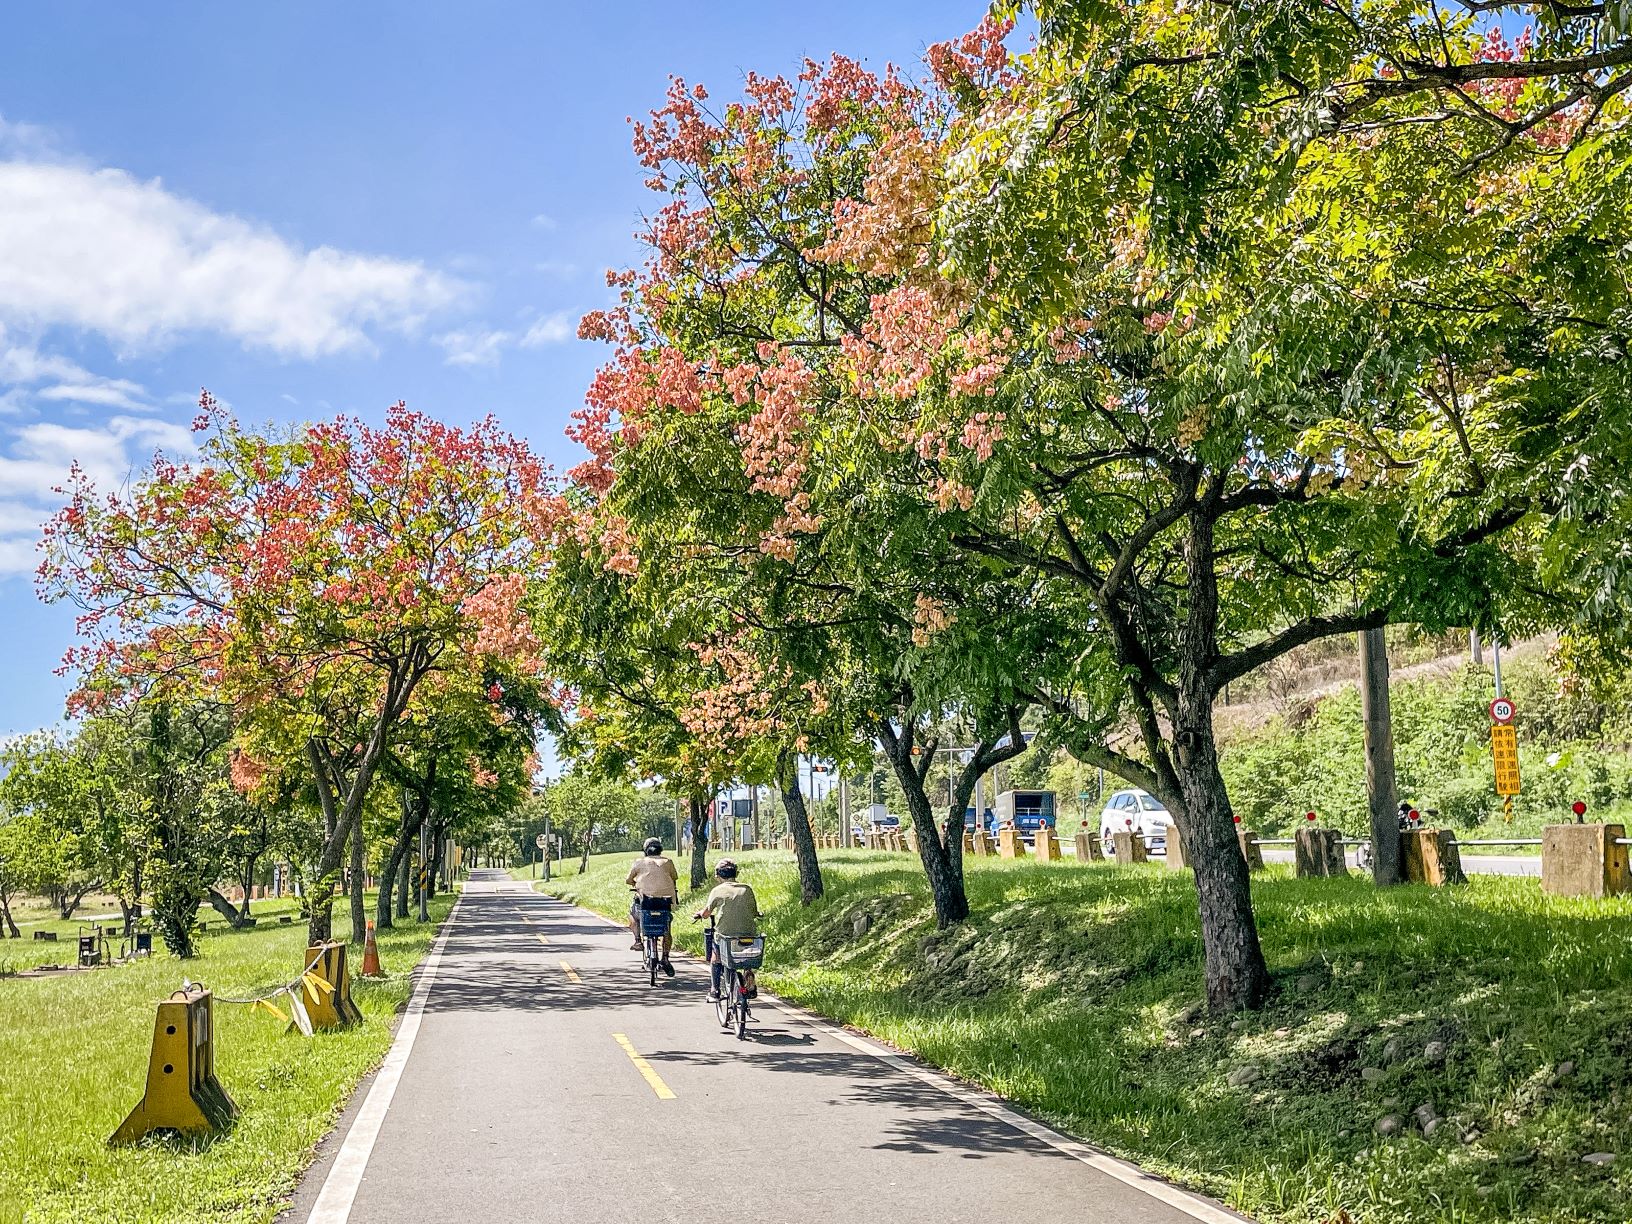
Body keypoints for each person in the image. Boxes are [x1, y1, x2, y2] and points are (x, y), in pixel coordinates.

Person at [694, 858, 759, 1002]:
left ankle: (714, 990)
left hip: (725, 935)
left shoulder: (717, 891)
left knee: (715, 957)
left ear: (719, 875)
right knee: (746, 954)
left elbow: (706, 913)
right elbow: (754, 911)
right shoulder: (746, 889)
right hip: (747, 935)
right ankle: (748, 973)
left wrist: (699, 914)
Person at [626, 837, 679, 975]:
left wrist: (635, 884)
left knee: (632, 913)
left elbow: (628, 880)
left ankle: (638, 940)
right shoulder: (668, 862)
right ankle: (666, 957)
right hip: (664, 903)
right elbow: (674, 878)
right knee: (667, 928)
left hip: (646, 903)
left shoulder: (639, 862)